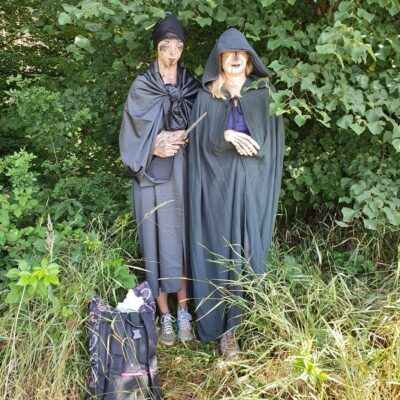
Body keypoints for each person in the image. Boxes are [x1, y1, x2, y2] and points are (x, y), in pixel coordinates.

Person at [188, 28, 285, 360]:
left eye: (240, 53)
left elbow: (273, 146)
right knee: (220, 251)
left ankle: (246, 326)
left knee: (248, 250)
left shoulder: (263, 95)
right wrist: (224, 135)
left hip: (252, 188)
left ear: (248, 60)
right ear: (218, 60)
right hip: (218, 190)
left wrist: (251, 149)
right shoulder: (206, 98)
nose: (234, 58)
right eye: (228, 53)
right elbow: (197, 147)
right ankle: (221, 330)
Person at [119, 13, 200, 346]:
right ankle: (164, 314)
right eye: (166, 45)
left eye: (178, 45)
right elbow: (129, 135)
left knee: (181, 238)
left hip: (184, 171)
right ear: (156, 47)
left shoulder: (190, 84)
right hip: (150, 173)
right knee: (155, 241)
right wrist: (154, 145)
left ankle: (184, 311)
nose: (172, 51)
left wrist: (187, 135)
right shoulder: (142, 87)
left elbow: (204, 122)